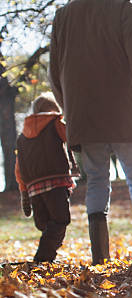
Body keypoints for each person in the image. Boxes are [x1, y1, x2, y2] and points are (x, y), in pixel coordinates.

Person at [48, 0, 132, 265]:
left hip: (84, 115)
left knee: (97, 183)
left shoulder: (63, 16)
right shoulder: (123, 9)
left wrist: (70, 109)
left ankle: (100, 259)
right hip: (122, 112)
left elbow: (54, 73)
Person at [15, 93, 77, 263]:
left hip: (34, 187)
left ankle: (47, 259)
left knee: (46, 224)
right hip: (55, 182)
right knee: (60, 220)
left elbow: (19, 168)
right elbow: (71, 138)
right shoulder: (55, 123)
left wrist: (24, 192)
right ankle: (43, 259)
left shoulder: (22, 137)